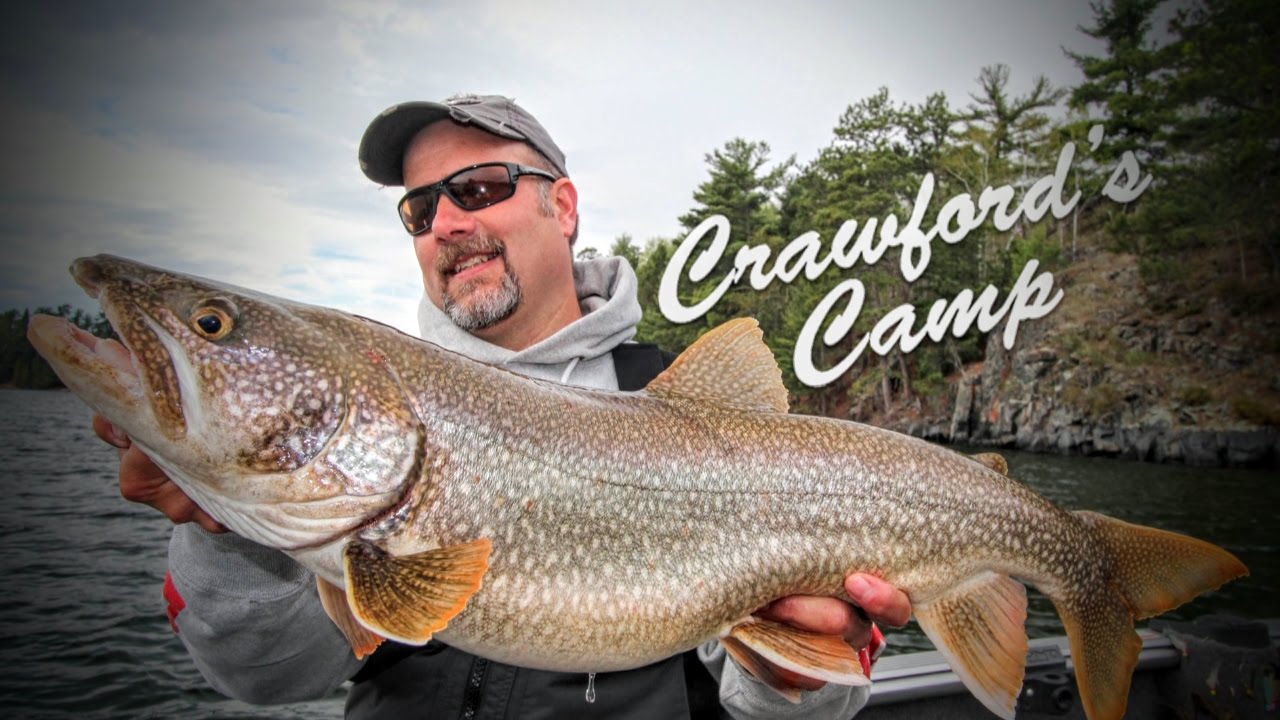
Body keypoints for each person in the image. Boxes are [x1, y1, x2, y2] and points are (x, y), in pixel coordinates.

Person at [94, 93, 911, 719]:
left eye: (480, 188)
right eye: (420, 209)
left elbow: (779, 710)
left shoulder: (691, 413)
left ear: (563, 208)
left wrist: (800, 670)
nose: (446, 223)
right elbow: (265, 680)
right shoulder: (354, 462)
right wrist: (222, 525)